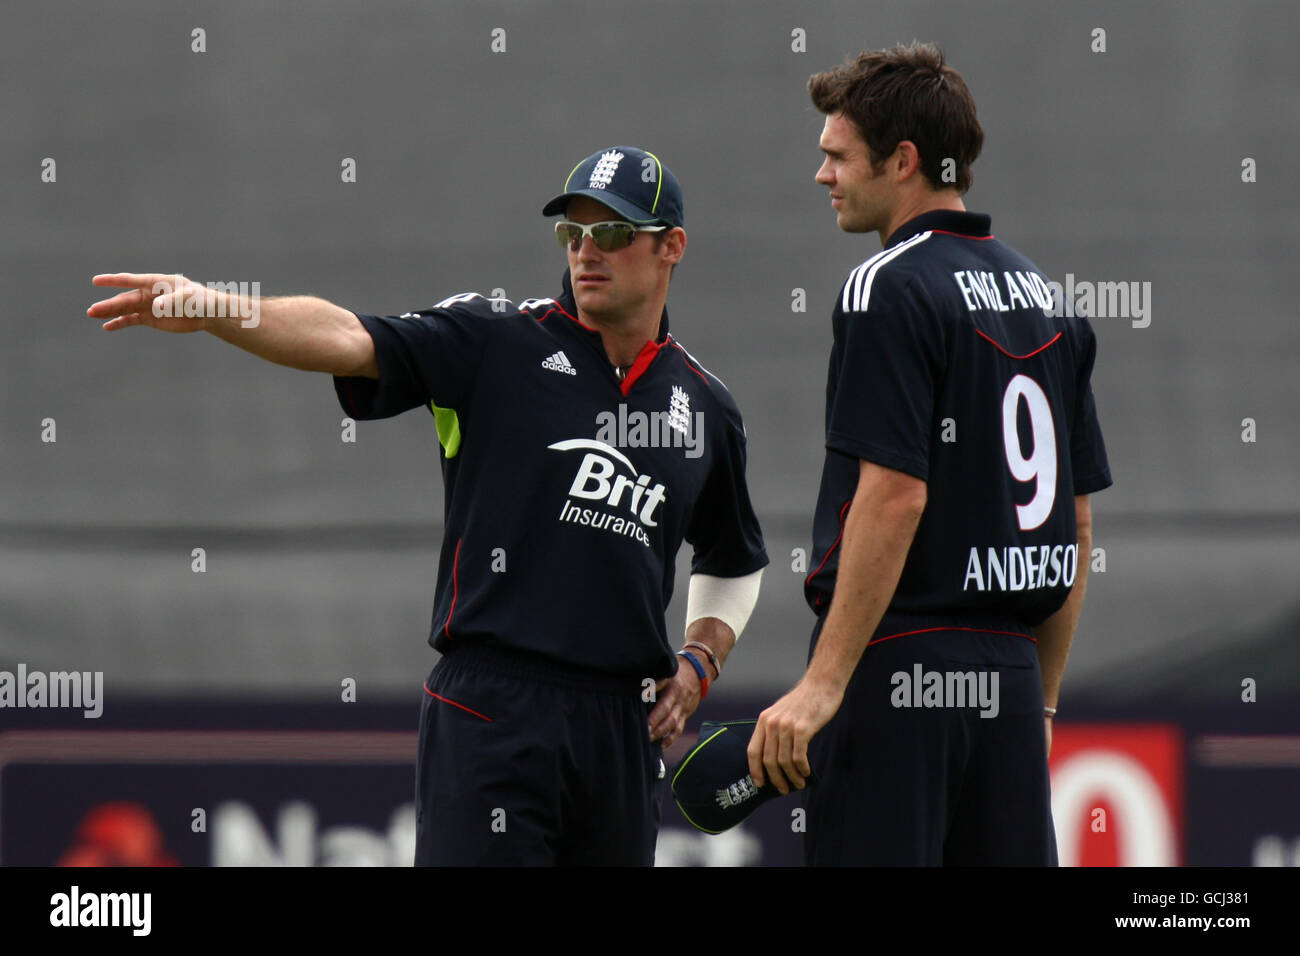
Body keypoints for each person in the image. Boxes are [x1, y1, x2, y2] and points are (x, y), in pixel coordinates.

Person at [88, 145, 768, 866]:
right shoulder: (495, 340)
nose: (586, 252)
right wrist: (217, 309)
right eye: (573, 232)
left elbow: (734, 556)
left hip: (619, 727)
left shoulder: (703, 405)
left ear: (672, 248)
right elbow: (350, 337)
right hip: (494, 707)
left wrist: (698, 661)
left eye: (612, 233)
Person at [747, 44, 1111, 865]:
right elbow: (1076, 524)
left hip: (901, 668)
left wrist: (825, 683)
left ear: (902, 160)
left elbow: (894, 497)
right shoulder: (1049, 300)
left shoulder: (887, 286)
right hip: (1010, 678)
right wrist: (1042, 704)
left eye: (837, 156)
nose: (822, 176)